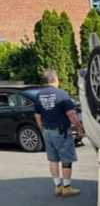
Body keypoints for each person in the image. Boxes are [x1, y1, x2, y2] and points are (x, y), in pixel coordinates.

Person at [32, 69, 85, 197]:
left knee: (53, 159)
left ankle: (57, 186)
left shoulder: (38, 95)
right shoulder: (62, 94)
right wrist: (79, 129)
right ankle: (66, 187)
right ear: (55, 80)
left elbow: (37, 116)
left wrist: (42, 130)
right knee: (66, 159)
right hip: (61, 132)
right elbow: (71, 115)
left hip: (47, 131)